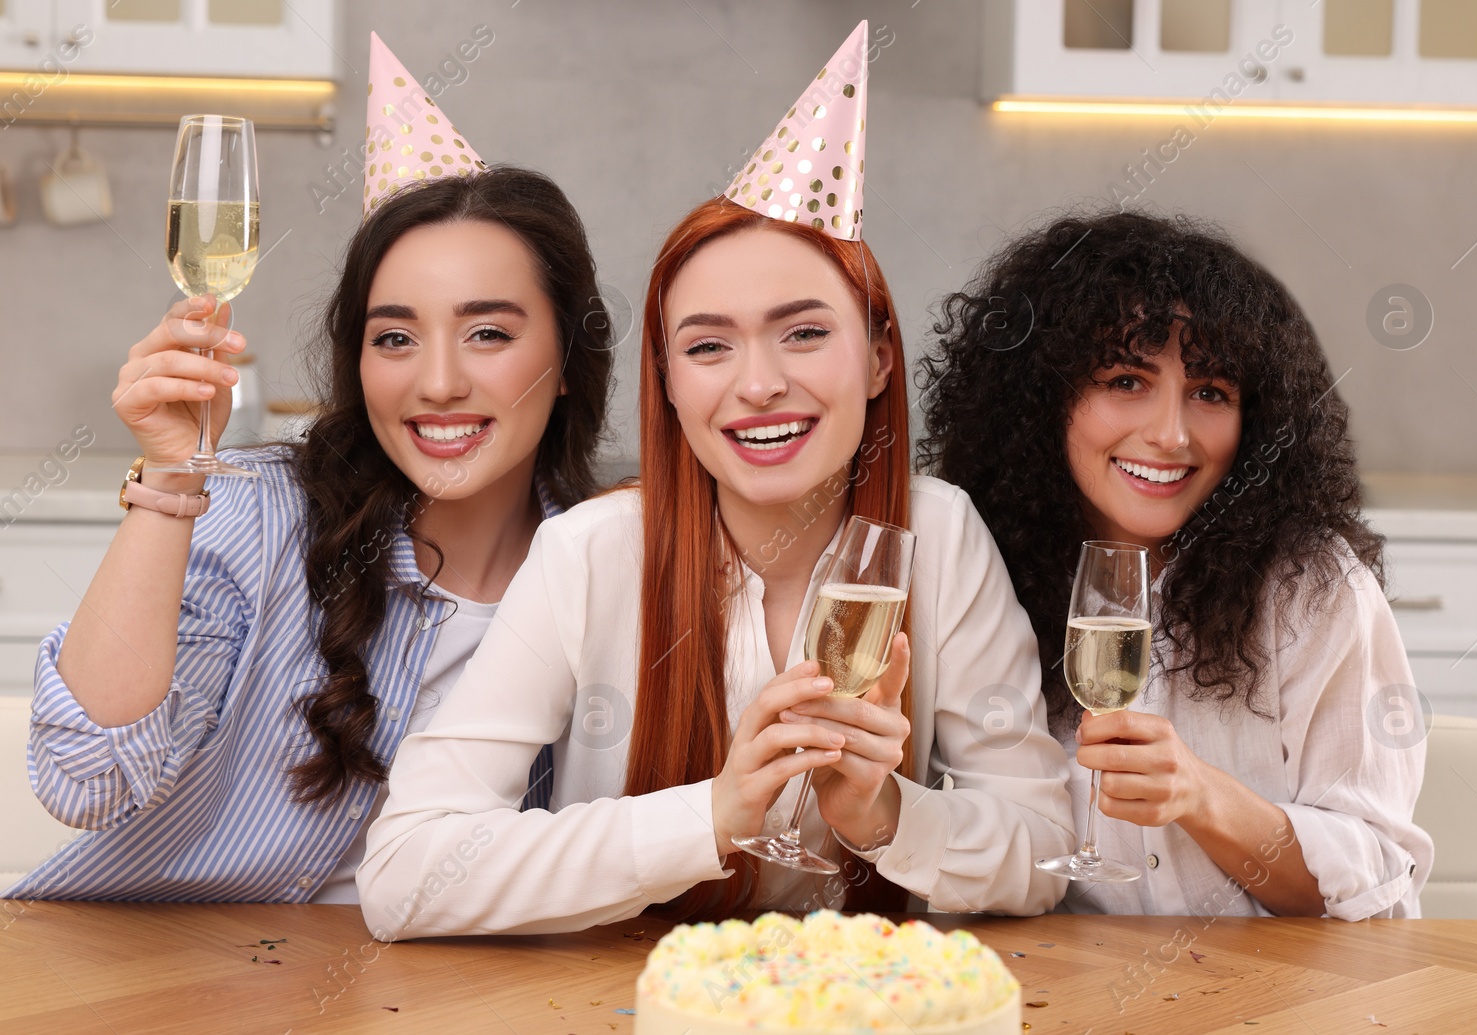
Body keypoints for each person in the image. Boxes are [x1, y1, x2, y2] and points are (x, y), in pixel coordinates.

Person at [356, 23, 1073, 939]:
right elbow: (406, 873)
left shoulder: (939, 535)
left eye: (805, 332)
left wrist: (883, 814)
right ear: (668, 382)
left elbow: (1046, 848)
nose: (759, 382)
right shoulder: (592, 552)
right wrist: (711, 815)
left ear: (880, 357)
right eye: (707, 346)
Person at [6, 36, 613, 903]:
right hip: (149, 980)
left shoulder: (605, 570)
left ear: (565, 360)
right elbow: (84, 779)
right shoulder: (261, 516)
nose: (437, 383)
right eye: (394, 337)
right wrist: (171, 477)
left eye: (488, 332)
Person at [918, 209, 1432, 920]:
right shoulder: (974, 575)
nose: (1170, 433)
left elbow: (1373, 880)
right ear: (1041, 399)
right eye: (1127, 380)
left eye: (1210, 392)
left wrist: (1202, 795)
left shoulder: (1312, 588)